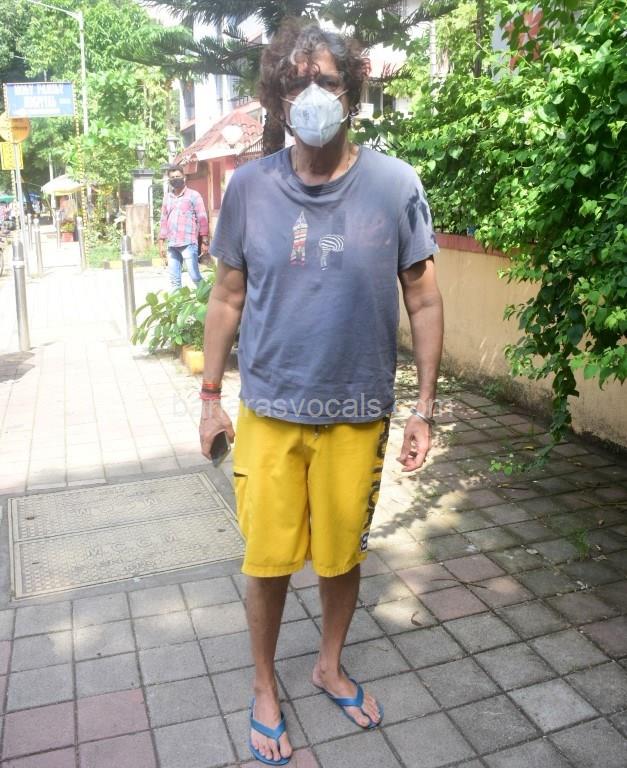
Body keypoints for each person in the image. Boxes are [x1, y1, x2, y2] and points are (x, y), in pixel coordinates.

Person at [199, 20, 443, 766]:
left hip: (357, 411)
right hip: (269, 410)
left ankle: (328, 664)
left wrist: (424, 410)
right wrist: (208, 397)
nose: (312, 94)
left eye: (327, 81)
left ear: (351, 93)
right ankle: (263, 684)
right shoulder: (248, 188)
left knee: (341, 555)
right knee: (267, 560)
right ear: (277, 95)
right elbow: (227, 297)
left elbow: (423, 298)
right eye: (297, 81)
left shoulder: (395, 185)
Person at [158, 165, 209, 289]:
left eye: (178, 176)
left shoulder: (194, 195)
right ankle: (178, 302)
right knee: (174, 281)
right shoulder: (167, 198)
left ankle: (210, 298)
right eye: (172, 177)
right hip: (172, 245)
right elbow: (164, 219)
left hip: (188, 244)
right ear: (169, 180)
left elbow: (202, 217)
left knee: (195, 277)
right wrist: (161, 242)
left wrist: (205, 241)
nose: (175, 179)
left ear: (184, 178)